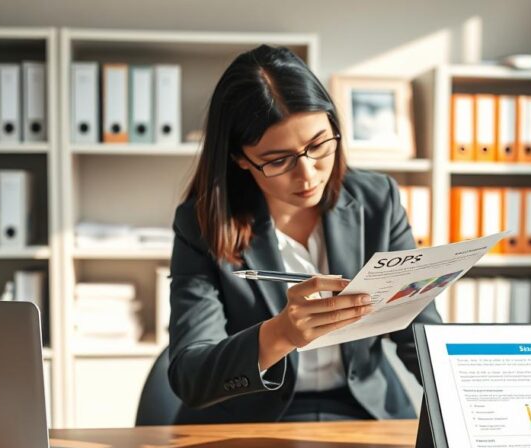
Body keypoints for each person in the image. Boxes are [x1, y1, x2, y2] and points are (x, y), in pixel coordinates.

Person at [167, 44, 441, 423]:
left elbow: (418, 332)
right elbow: (190, 375)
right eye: (279, 160)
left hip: (362, 411)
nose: (308, 174)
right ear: (241, 158)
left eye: (318, 146)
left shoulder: (378, 201)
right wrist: (279, 334)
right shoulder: (202, 223)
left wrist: (471, 411)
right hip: (248, 423)